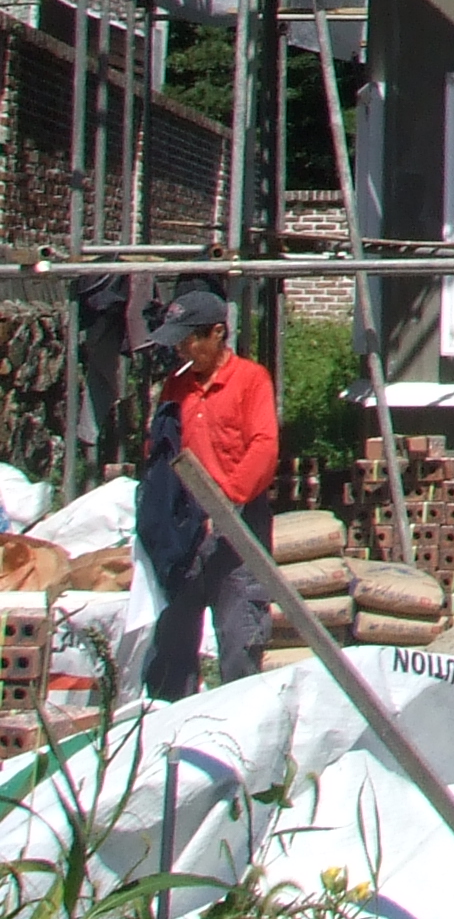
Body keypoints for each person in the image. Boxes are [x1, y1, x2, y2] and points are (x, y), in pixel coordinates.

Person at [138, 289, 277, 700]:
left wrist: (227, 502)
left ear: (217, 333)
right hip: (184, 529)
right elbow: (161, 454)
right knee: (173, 644)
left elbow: (263, 447)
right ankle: (170, 726)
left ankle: (239, 729)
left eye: (189, 340)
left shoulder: (251, 380)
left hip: (237, 524)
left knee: (239, 639)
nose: (181, 349)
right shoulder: (176, 387)